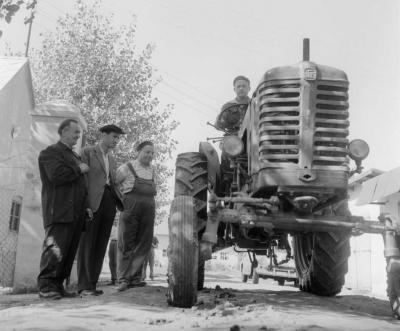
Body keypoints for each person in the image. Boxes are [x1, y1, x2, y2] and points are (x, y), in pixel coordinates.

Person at [37, 118, 90, 300]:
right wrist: (79, 170)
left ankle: (58, 286)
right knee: (55, 249)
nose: (78, 136)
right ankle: (45, 286)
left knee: (68, 251)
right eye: (75, 132)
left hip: (75, 212)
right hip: (58, 210)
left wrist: (86, 207)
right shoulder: (50, 152)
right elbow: (56, 176)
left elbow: (81, 187)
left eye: (79, 133)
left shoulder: (75, 156)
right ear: (64, 131)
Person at [77, 124, 125, 296]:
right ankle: (83, 286)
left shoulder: (111, 158)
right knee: (87, 244)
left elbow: (112, 181)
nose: (116, 140)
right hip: (92, 202)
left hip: (108, 202)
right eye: (114, 136)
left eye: (118, 138)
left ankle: (92, 284)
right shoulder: (88, 152)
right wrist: (85, 205)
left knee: (100, 244)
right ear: (103, 135)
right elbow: (82, 181)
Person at [116, 141, 157, 291]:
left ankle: (136, 278)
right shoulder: (126, 168)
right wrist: (121, 201)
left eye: (152, 153)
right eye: (147, 152)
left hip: (148, 209)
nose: (150, 155)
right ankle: (123, 279)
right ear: (138, 151)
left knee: (144, 243)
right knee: (126, 243)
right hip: (130, 208)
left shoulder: (153, 170)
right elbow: (114, 184)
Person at [215, 75, 251, 194]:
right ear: (234, 89)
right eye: (238, 86)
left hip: (250, 138)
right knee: (226, 151)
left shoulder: (254, 104)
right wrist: (220, 122)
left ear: (249, 88)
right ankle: (226, 181)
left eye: (244, 86)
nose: (241, 88)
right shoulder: (228, 106)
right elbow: (218, 125)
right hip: (233, 139)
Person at [107, 216, 119, 285]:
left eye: (117, 219)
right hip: (111, 242)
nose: (115, 221)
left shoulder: (120, 227)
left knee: (116, 261)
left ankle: (117, 279)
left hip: (117, 243)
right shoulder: (111, 227)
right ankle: (113, 278)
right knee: (111, 261)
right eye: (114, 219)